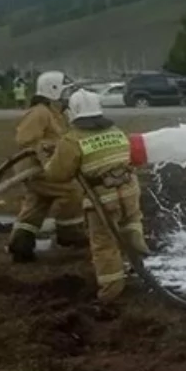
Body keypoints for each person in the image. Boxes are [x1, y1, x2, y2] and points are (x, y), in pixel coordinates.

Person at [43, 88, 150, 302]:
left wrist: (50, 158)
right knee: (130, 220)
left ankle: (111, 290)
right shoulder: (116, 131)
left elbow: (57, 174)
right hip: (129, 190)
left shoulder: (72, 140)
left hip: (103, 199)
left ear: (72, 112)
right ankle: (134, 238)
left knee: (104, 244)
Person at [7, 70, 89, 262]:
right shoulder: (39, 113)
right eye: (64, 90)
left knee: (38, 202)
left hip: (40, 169)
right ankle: (69, 233)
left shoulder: (53, 112)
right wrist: (48, 148)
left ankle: (21, 244)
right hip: (37, 169)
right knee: (72, 191)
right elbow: (25, 139)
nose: (67, 95)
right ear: (53, 90)